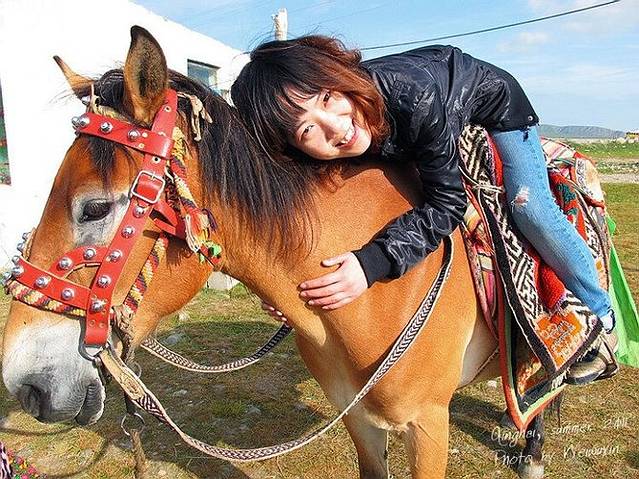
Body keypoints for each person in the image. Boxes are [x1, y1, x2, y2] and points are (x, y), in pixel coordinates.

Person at [230, 35, 616, 384]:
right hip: (420, 121)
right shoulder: (333, 137)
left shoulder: (416, 98)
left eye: (327, 99)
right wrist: (286, 290)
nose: (335, 127)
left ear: (338, 78)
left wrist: (372, 262)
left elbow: (447, 204)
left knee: (529, 207)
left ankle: (601, 319)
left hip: (496, 106)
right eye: (307, 130)